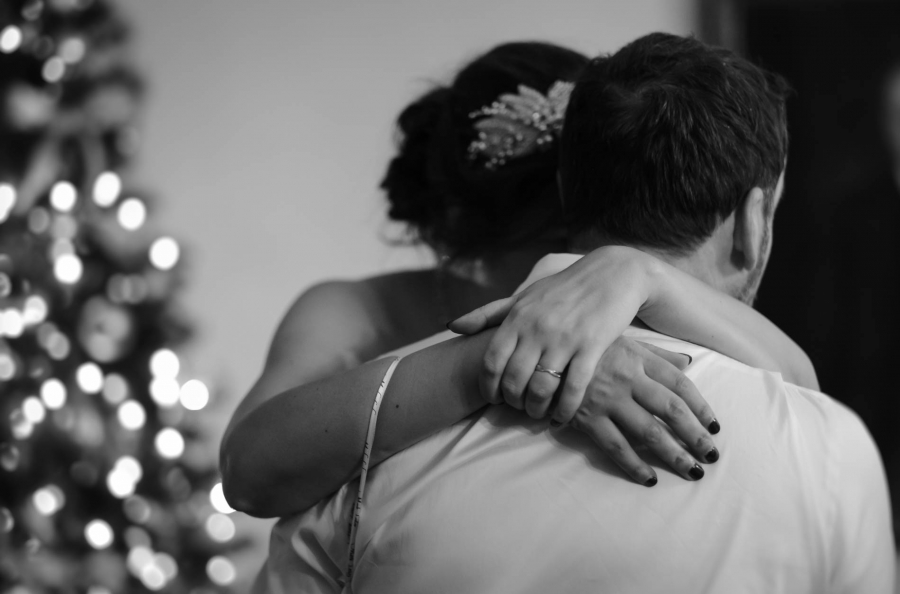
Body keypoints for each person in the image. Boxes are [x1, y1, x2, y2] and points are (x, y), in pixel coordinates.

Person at [252, 33, 895, 593]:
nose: (565, 303)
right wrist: (498, 362)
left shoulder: (359, 489)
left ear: (575, 193)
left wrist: (642, 275)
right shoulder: (826, 449)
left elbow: (797, 377)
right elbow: (251, 467)